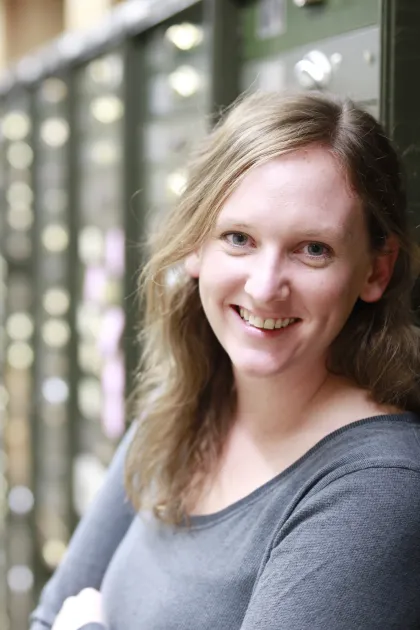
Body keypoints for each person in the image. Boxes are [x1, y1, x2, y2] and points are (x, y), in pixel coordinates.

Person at [31, 91, 420, 630]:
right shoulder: (179, 414)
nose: (264, 289)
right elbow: (48, 615)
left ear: (377, 269)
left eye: (313, 249)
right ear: (196, 244)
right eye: (239, 238)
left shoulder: (378, 487)